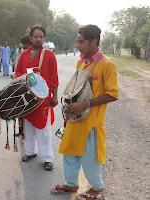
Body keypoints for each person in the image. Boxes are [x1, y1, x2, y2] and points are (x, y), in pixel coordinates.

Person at [51, 25, 119, 200]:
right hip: (76, 118)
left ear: (94, 42)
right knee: (70, 151)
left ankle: (96, 188)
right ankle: (71, 183)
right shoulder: (81, 62)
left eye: (81, 42)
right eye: (77, 41)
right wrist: (69, 104)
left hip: (92, 123)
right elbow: (77, 88)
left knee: (90, 158)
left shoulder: (107, 65)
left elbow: (112, 94)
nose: (78, 45)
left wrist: (86, 103)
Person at [15, 25, 59, 171]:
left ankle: (47, 158)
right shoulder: (24, 55)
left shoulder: (49, 55)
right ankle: (30, 152)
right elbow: (18, 74)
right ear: (30, 38)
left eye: (41, 36)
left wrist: (55, 96)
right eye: (36, 36)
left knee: (44, 128)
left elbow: (54, 77)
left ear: (44, 38)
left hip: (44, 99)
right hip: (27, 98)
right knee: (28, 126)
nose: (38, 39)